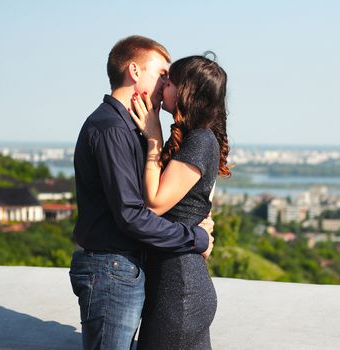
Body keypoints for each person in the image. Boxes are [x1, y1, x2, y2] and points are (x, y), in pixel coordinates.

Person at [69, 36, 215, 350]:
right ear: (134, 71)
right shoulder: (111, 129)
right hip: (110, 267)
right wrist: (195, 237)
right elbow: (132, 216)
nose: (166, 84)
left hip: (122, 266)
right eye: (162, 74)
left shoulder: (129, 128)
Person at [127, 54, 229, 349]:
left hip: (180, 292)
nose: (163, 86)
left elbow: (156, 203)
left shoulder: (200, 140)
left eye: (169, 81)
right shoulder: (192, 139)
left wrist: (153, 139)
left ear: (187, 92)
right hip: (176, 287)